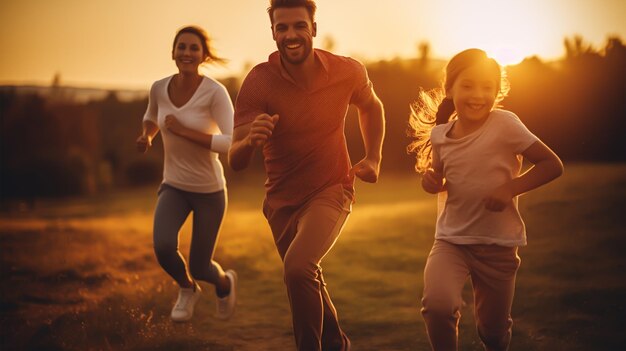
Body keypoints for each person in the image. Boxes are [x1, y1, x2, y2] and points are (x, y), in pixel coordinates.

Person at [229, 0, 385, 349]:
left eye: (299, 25)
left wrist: (373, 157)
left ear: (313, 28)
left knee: (298, 269)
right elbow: (234, 159)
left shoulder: (347, 71)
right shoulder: (258, 82)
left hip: (332, 188)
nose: (291, 35)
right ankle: (336, 343)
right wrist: (250, 141)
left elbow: (371, 106)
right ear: (272, 33)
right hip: (280, 203)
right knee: (306, 276)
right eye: (282, 28)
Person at [407, 48, 564, 350]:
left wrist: (509, 189)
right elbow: (440, 180)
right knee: (437, 307)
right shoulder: (440, 135)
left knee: (492, 333)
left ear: (497, 91)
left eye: (486, 87)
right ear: (450, 89)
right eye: (467, 86)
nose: (477, 94)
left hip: (498, 246)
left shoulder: (505, 124)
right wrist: (431, 181)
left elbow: (552, 164)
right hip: (451, 241)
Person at [136, 25, 237, 322]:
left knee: (201, 265)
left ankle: (224, 283)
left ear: (203, 55)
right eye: (182, 47)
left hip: (209, 191)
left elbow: (232, 142)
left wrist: (184, 131)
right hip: (174, 186)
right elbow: (151, 117)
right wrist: (147, 136)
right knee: (164, 246)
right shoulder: (158, 87)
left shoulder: (215, 93)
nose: (187, 53)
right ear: (173, 53)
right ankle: (187, 289)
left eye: (194, 48)